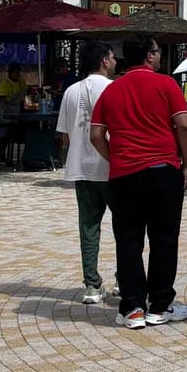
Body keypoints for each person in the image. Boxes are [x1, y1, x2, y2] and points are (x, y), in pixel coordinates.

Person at [89, 34, 187, 329]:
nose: (160, 56)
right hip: (163, 168)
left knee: (129, 241)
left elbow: (96, 135)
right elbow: (184, 126)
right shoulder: (166, 84)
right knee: (164, 239)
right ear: (149, 55)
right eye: (158, 51)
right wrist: (186, 162)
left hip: (124, 174)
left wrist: (116, 158)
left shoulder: (111, 90)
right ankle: (160, 306)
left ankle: (132, 308)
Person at [55, 41, 117, 304]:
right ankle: (125, 279)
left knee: (88, 227)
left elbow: (65, 135)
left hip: (81, 168)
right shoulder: (114, 88)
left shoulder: (71, 91)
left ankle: (91, 284)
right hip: (112, 166)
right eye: (113, 57)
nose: (115, 62)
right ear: (104, 60)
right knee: (124, 226)